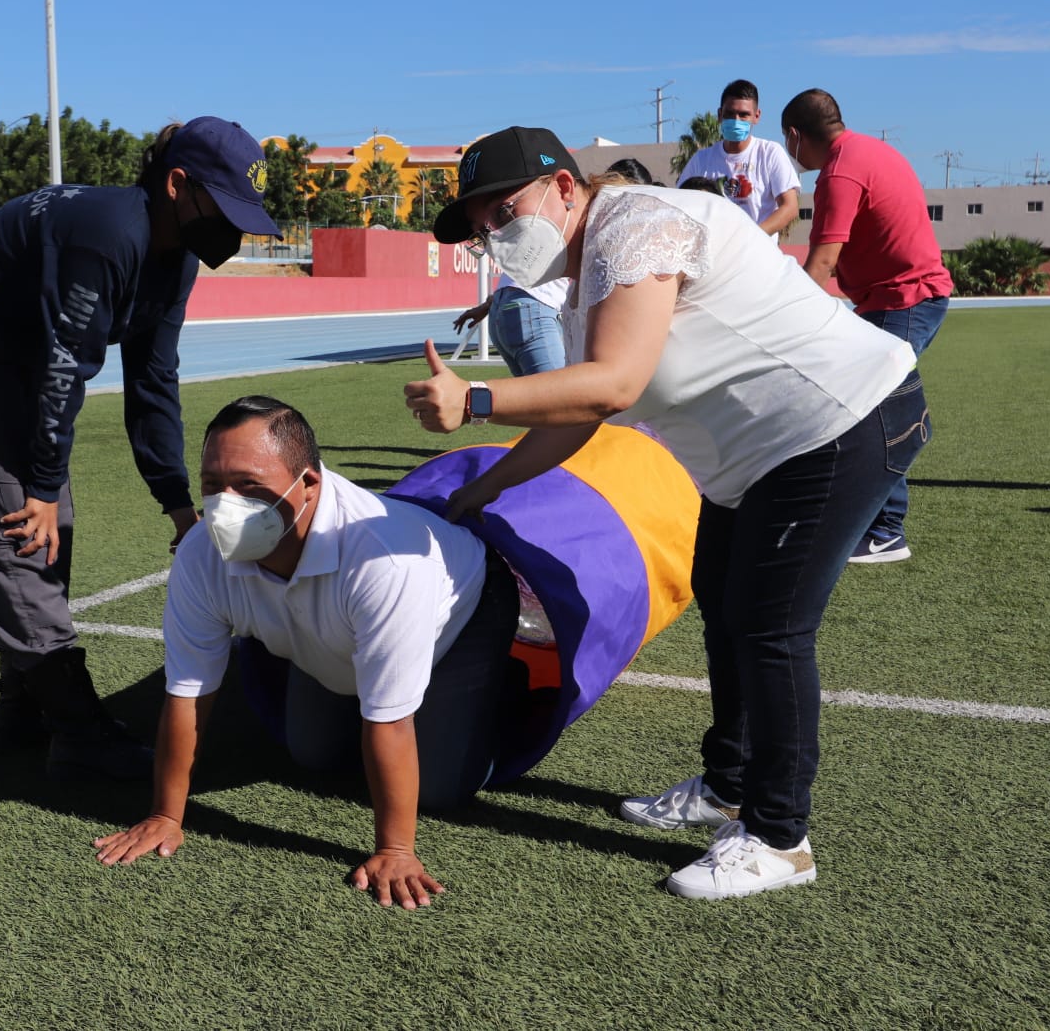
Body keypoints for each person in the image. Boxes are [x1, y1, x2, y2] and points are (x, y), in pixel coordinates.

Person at [406, 125, 928, 899]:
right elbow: (577, 416)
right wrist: (482, 490)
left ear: (562, 187)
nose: (492, 233)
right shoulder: (587, 279)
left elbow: (613, 385)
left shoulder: (636, 224)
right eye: (479, 224)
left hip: (839, 424)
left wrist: (475, 399)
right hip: (757, 458)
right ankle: (729, 787)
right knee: (723, 605)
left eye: (502, 208)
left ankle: (781, 837)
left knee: (769, 628)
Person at [0, 117, 282, 781]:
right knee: (20, 524)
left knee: (54, 526)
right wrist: (42, 489)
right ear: (177, 185)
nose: (234, 229)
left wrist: (178, 506)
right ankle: (79, 732)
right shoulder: (109, 233)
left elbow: (153, 379)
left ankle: (24, 708)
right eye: (224, 209)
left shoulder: (179, 258)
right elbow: (63, 369)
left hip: (26, 353)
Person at [92, 396, 520, 909]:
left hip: (464, 611)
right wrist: (166, 815)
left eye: (249, 485)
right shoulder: (201, 552)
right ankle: (363, 671)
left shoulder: (385, 562)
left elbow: (389, 722)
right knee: (313, 754)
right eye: (212, 486)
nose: (226, 504)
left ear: (309, 483)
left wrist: (395, 849)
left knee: (441, 790)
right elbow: (188, 692)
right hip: (341, 631)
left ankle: (497, 689)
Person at [783, 89, 954, 564]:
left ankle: (886, 531)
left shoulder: (838, 172)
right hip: (899, 298)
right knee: (871, 402)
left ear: (795, 135)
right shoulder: (872, 149)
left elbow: (821, 264)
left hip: (904, 299)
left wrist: (775, 320)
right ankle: (879, 523)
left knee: (875, 406)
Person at [677, 79, 800, 238]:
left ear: (756, 116)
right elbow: (679, 204)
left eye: (744, 115)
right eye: (729, 114)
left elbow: (790, 208)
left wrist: (751, 238)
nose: (736, 120)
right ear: (720, 115)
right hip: (716, 255)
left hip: (758, 255)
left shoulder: (769, 153)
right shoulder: (701, 160)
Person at [451, 271, 571, 376]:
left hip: (502, 304)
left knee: (533, 397)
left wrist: (488, 305)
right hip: (531, 309)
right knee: (558, 395)